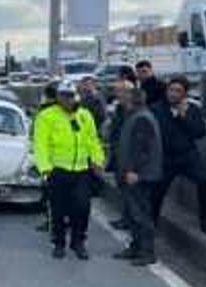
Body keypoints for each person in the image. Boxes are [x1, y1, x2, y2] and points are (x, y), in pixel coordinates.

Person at [33, 80, 105, 260]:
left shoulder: (84, 115)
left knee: (82, 207)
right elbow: (40, 144)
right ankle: (59, 243)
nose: (68, 100)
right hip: (57, 170)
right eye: (64, 96)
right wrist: (45, 169)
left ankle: (78, 241)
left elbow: (92, 140)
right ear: (58, 97)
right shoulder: (47, 116)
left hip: (81, 170)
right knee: (57, 210)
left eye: (71, 96)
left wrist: (98, 159)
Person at [151, 76, 206, 235]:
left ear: (184, 94)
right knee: (156, 192)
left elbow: (199, 133)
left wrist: (183, 116)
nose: (173, 94)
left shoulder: (192, 110)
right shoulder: (156, 109)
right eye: (171, 90)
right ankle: (151, 224)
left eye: (178, 91)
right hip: (165, 158)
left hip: (187, 156)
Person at [112, 86, 164, 266]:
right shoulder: (135, 115)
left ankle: (147, 251)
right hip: (131, 172)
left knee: (141, 214)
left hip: (138, 175)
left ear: (132, 99)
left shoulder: (141, 118)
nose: (119, 97)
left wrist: (135, 171)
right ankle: (136, 246)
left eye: (123, 95)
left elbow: (142, 149)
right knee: (133, 214)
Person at [105, 73, 138, 231]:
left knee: (131, 192)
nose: (117, 95)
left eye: (120, 91)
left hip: (131, 157)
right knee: (123, 189)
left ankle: (131, 221)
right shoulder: (119, 108)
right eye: (116, 91)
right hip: (119, 153)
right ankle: (125, 218)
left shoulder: (135, 111)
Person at [33, 82, 61, 233]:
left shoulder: (44, 112)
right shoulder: (67, 110)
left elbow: (37, 135)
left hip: (49, 158)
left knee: (50, 193)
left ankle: (52, 221)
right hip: (65, 158)